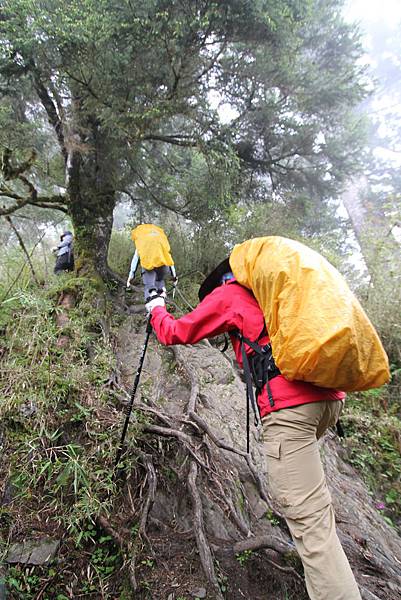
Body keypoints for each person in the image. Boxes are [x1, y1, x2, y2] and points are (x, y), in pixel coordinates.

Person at [145, 259, 362, 600]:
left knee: (311, 528)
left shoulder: (229, 294)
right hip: (328, 400)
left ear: (220, 282)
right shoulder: (269, 296)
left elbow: (176, 332)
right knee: (311, 508)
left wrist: (156, 306)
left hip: (291, 408)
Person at [126, 223, 178, 301]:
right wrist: (174, 275)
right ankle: (161, 295)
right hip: (163, 266)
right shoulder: (160, 240)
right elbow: (169, 258)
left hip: (148, 266)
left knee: (149, 286)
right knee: (159, 281)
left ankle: (151, 303)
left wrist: (131, 275)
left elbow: (135, 259)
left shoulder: (143, 241)